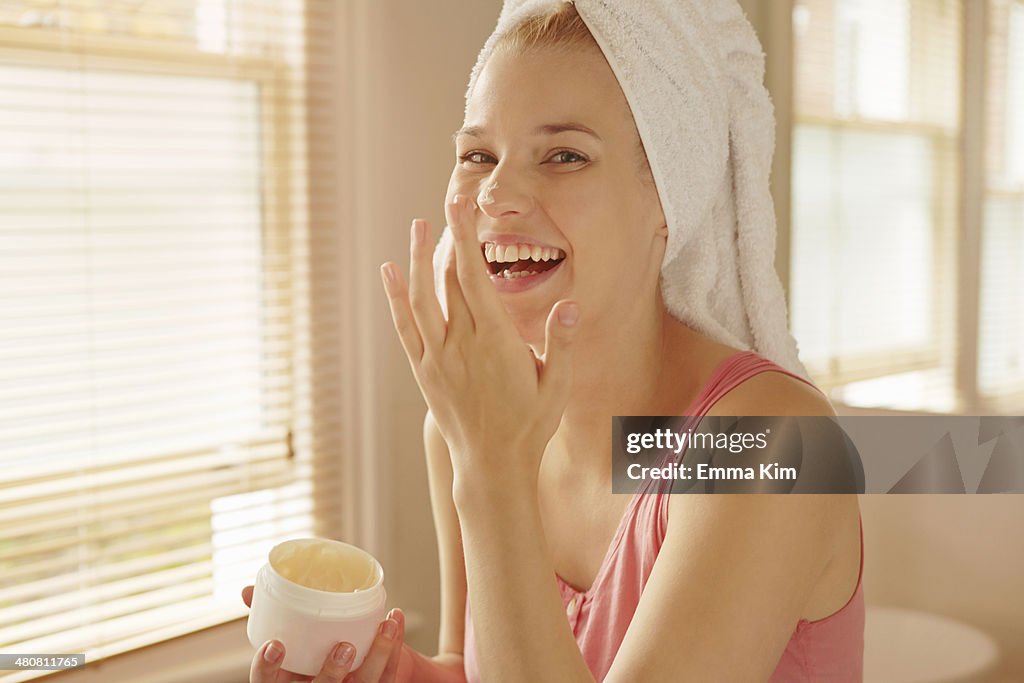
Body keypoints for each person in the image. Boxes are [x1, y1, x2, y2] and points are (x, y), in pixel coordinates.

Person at [247, 1, 864, 681]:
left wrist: (492, 474)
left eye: (565, 155)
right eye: (479, 154)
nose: (496, 194)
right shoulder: (466, 430)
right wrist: (397, 675)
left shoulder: (773, 444)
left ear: (669, 198)